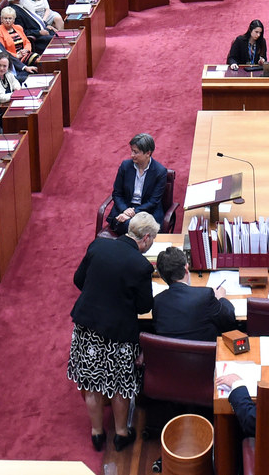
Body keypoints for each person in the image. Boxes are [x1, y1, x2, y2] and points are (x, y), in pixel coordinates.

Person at [69, 213, 158, 453]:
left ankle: (97, 433)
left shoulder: (98, 245)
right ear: (146, 238)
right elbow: (144, 307)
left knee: (91, 382)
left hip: (87, 326)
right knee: (119, 384)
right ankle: (121, 434)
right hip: (118, 334)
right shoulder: (141, 266)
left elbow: (79, 280)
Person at [152, 245, 234, 342]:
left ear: (161, 276)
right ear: (186, 268)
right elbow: (229, 319)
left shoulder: (157, 301)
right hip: (205, 355)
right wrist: (221, 298)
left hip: (170, 356)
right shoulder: (205, 295)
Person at [106, 133, 167, 234]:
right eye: (132, 151)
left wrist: (132, 213)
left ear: (148, 153)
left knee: (137, 228)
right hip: (125, 207)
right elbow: (117, 193)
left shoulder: (160, 172)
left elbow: (153, 201)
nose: (132, 155)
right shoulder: (125, 166)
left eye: (136, 152)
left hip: (147, 210)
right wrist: (125, 210)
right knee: (129, 226)